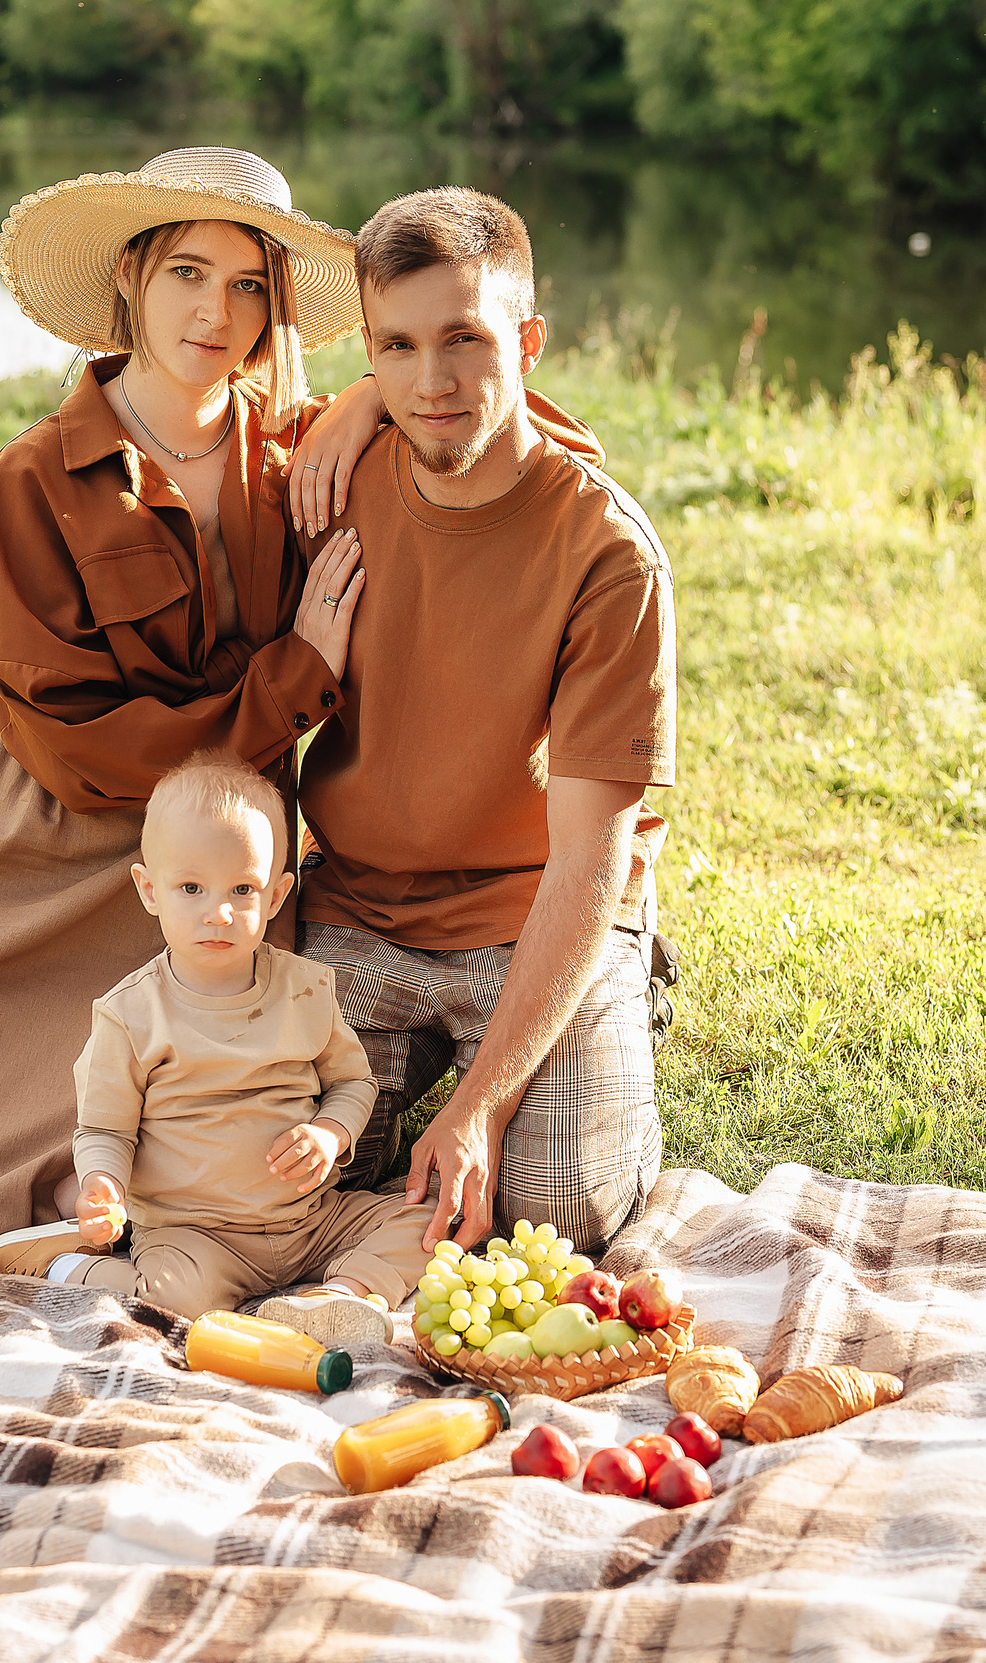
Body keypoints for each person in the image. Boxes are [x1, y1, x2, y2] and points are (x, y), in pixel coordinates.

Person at [0, 147, 389, 1272]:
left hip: (213, 854)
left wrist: (368, 395)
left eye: (247, 285)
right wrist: (297, 671)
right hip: (47, 831)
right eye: (185, 273)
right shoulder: (32, 479)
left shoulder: (298, 445)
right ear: (129, 277)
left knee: (227, 1130)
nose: (214, 313)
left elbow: (511, 418)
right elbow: (78, 745)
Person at [298, 187, 676, 1257]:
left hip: (537, 910)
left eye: (466, 340)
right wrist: (348, 403)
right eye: (398, 349)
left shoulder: (606, 554)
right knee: (252, 1175)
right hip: (359, 905)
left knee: (554, 1210)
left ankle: (605, 1007)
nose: (432, 383)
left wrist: (481, 1107)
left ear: (528, 341)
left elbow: (589, 859)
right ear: (367, 353)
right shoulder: (332, 478)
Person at [0, 752, 433, 1348]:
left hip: (308, 1223)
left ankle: (337, 1296)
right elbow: (106, 1131)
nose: (218, 912)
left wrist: (330, 1134)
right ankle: (68, 1263)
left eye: (242, 889)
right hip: (193, 1234)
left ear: (275, 897)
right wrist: (103, 1185)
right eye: (190, 887)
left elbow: (354, 1084)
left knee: (427, 1224)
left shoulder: (305, 989)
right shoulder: (131, 1015)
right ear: (149, 890)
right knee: (171, 1303)